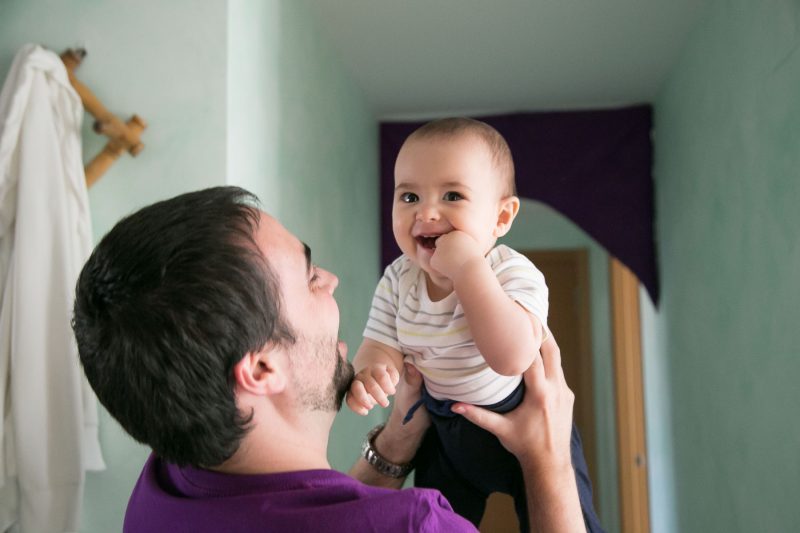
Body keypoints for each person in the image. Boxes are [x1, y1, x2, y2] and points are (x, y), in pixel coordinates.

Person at [72, 186, 589, 532]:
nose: (333, 280)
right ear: (260, 369)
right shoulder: (415, 525)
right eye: (310, 277)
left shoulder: (167, 482)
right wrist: (549, 465)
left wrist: (396, 444)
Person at [347, 118, 602, 530]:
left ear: (501, 218)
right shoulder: (399, 279)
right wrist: (373, 372)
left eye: (452, 195)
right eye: (409, 196)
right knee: (434, 517)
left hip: (525, 419)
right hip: (444, 428)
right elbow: (380, 342)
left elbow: (513, 357)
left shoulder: (511, 273)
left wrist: (468, 270)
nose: (426, 212)